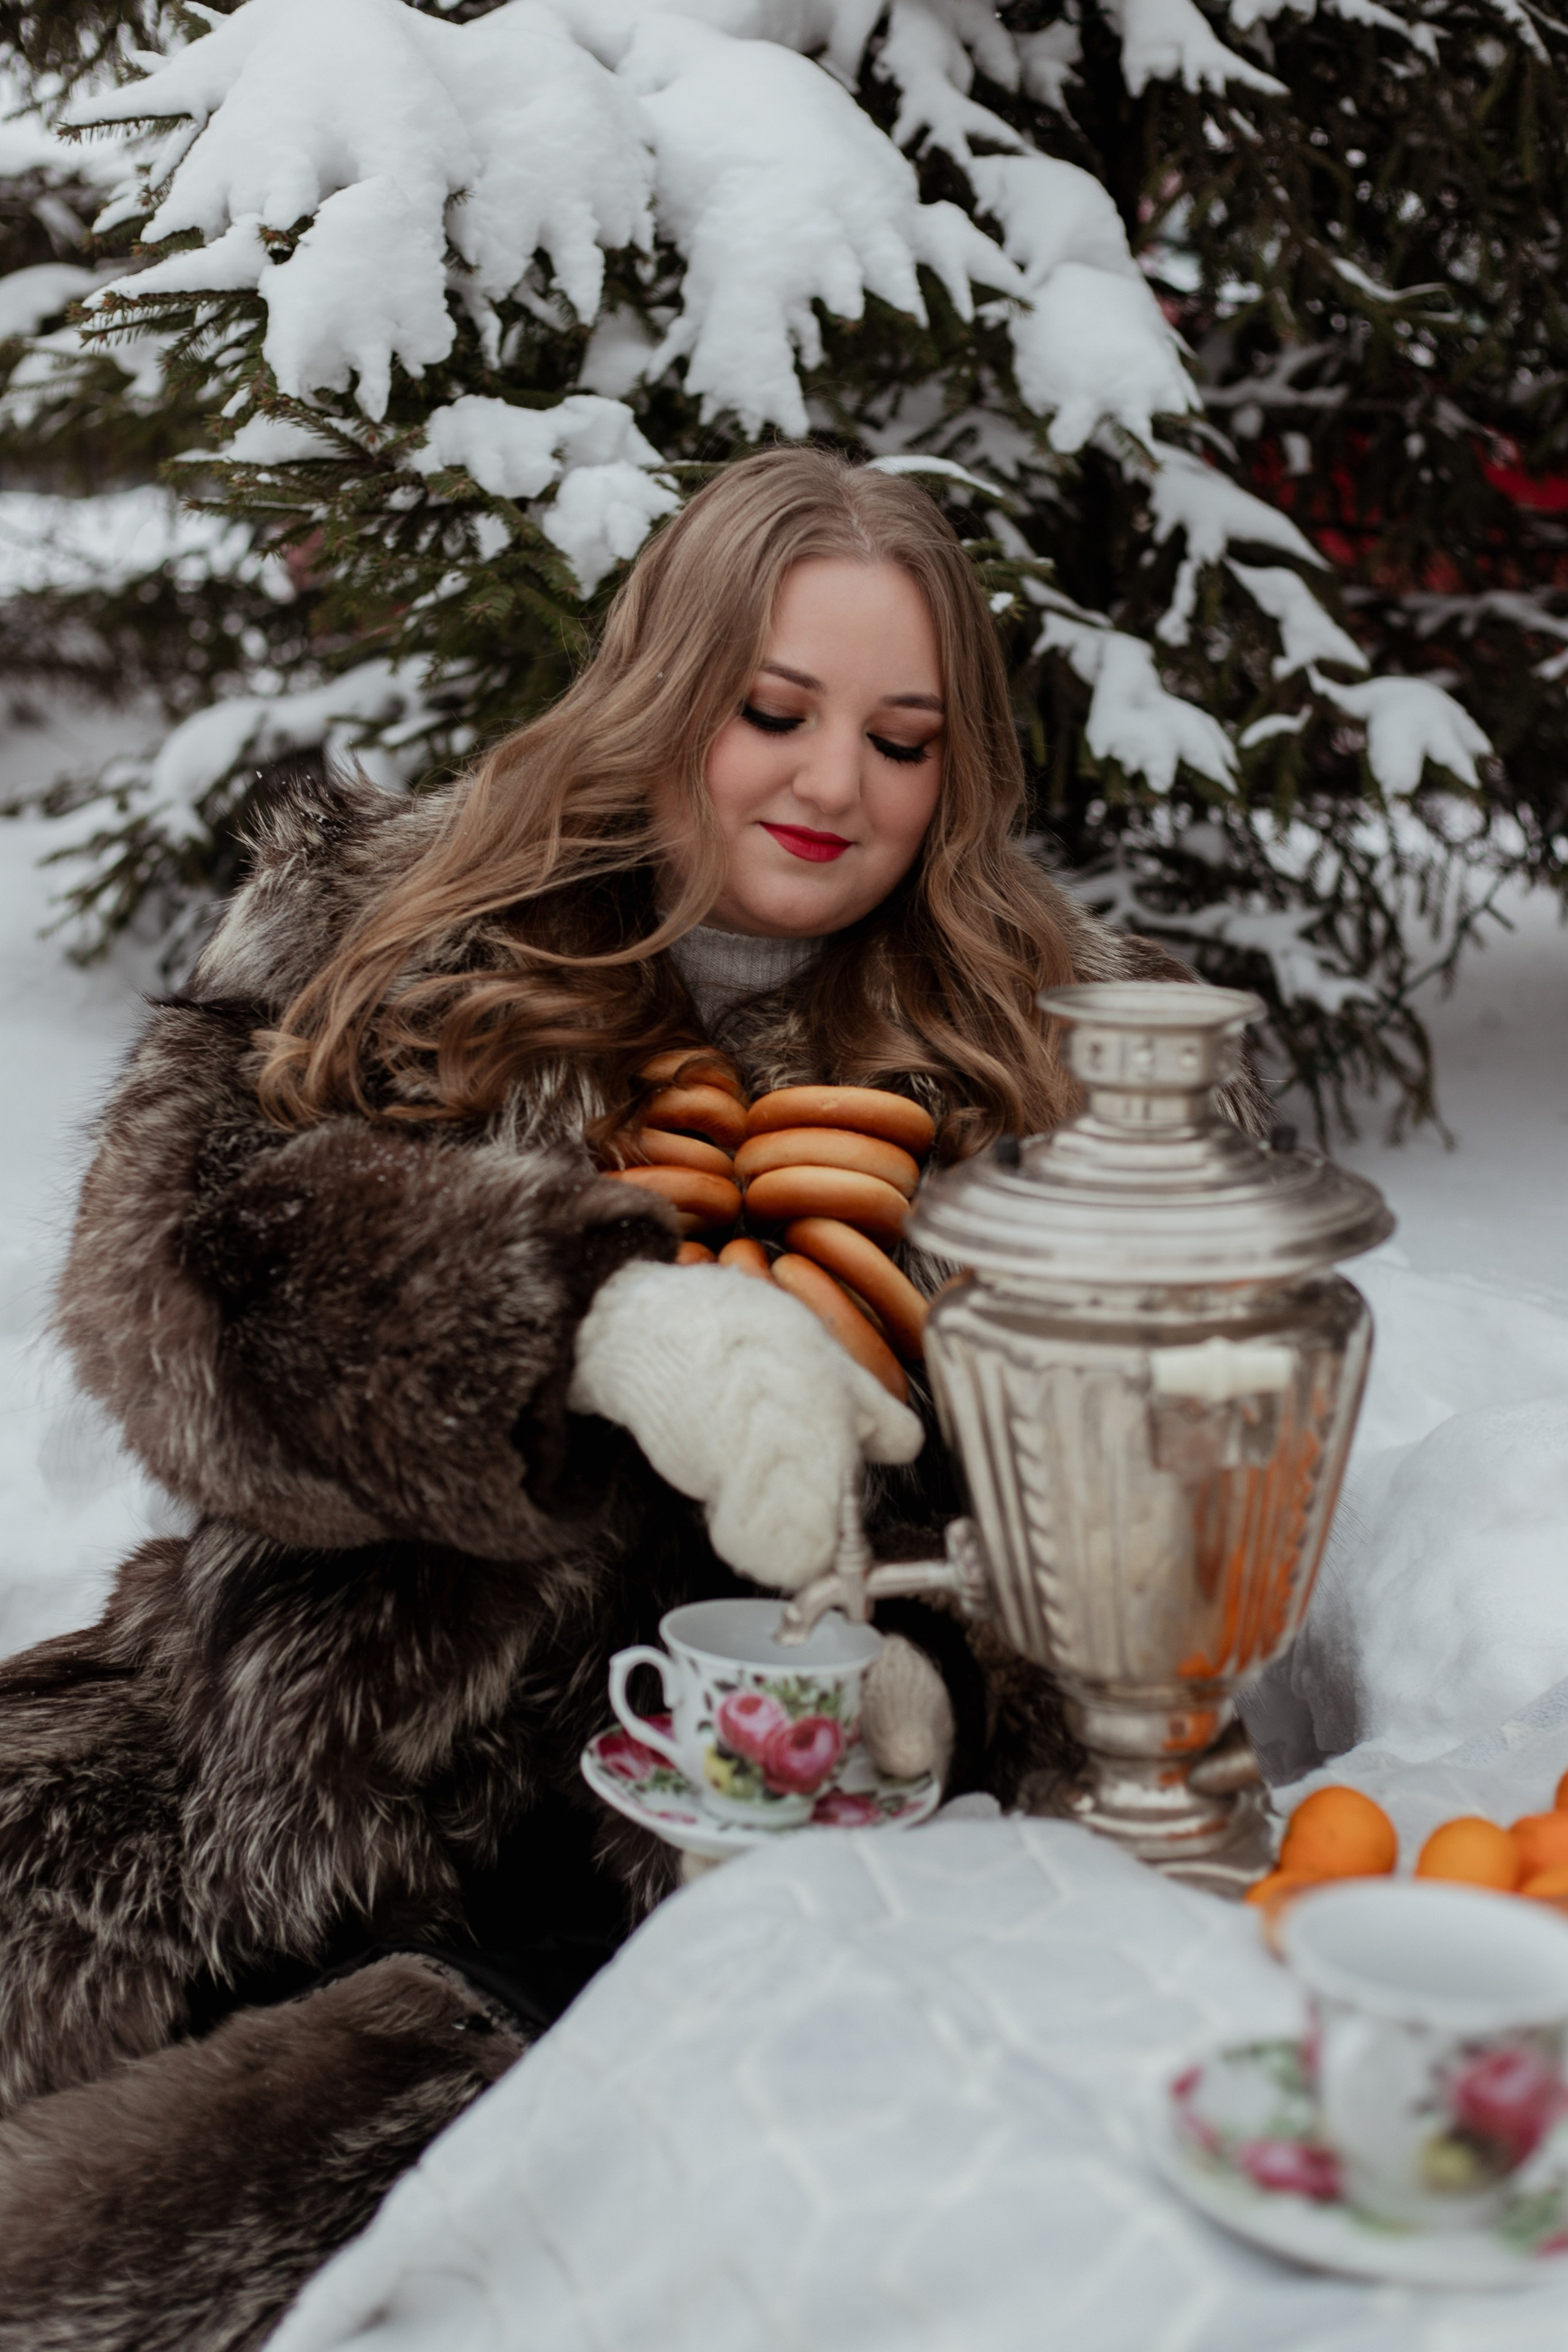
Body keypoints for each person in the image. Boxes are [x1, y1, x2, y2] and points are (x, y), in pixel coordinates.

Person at [0, 448, 1240, 2348]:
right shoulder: (382, 922)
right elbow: (174, 1284)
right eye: (776, 712)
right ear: (669, 689)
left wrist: (940, 1686)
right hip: (228, 1755)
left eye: (905, 741)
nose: (837, 785)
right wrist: (573, 1327)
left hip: (607, 1920)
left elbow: (1146, 1549)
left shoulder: (1056, 1096)